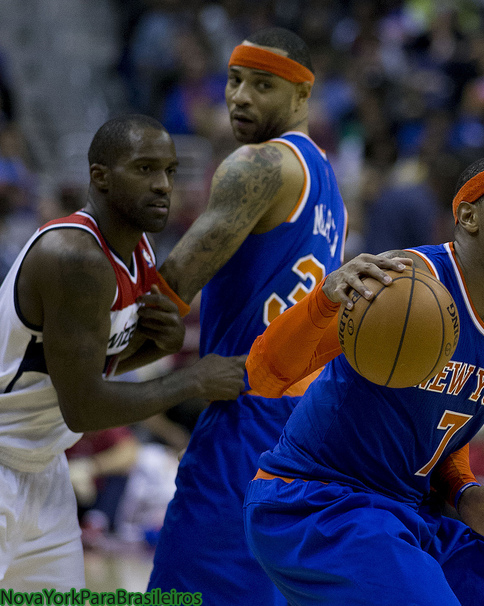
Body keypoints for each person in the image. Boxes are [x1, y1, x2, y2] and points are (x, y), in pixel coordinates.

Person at [244, 154, 484, 605]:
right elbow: (264, 376)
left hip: (403, 513)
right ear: (468, 216)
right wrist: (325, 301)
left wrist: (463, 492)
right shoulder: (402, 284)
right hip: (313, 502)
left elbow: (439, 428)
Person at [0, 114, 246, 592]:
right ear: (100, 178)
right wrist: (192, 379)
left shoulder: (138, 249)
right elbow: (85, 405)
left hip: (44, 466)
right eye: (145, 169)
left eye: (170, 171)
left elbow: (90, 361)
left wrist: (160, 342)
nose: (162, 185)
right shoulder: (75, 258)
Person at [147, 27, 348, 605]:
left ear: (304, 96)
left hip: (248, 414)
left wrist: (95, 353)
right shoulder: (326, 180)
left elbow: (175, 284)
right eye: (234, 81)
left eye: (263, 85)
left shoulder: (259, 164)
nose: (240, 97)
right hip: (303, 428)